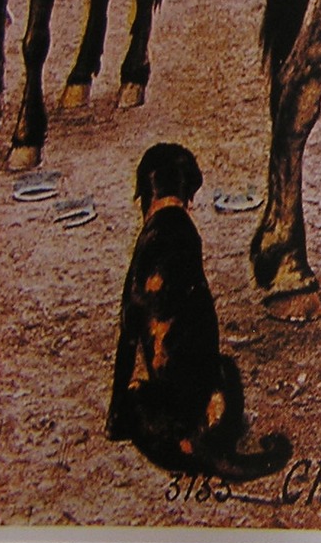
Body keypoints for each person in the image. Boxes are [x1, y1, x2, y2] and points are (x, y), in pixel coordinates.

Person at [107, 143, 290, 480]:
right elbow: (200, 321)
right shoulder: (187, 236)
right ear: (189, 196)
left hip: (170, 436)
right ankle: (212, 434)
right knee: (225, 367)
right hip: (209, 417)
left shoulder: (148, 242)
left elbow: (130, 330)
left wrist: (116, 415)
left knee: (136, 397)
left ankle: (187, 442)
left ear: (142, 196)